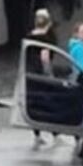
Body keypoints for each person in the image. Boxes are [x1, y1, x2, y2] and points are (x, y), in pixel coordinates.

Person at [25, 9, 59, 146]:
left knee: (34, 104)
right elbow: (45, 57)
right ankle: (55, 134)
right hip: (42, 72)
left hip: (29, 73)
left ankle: (37, 135)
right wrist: (49, 75)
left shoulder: (29, 36)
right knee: (49, 103)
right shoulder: (47, 38)